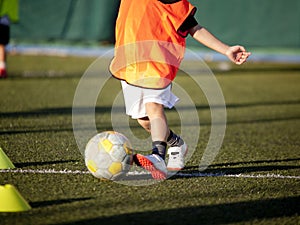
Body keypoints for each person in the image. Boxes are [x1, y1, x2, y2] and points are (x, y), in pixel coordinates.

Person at [110, 0, 251, 180]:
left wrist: (226, 50)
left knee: (154, 108)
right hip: (130, 61)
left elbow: (194, 28)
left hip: (157, 61)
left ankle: (157, 157)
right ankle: (176, 143)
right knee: (144, 121)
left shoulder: (172, 2)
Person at [0, 0, 19, 78]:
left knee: (1, 44)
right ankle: (2, 68)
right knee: (2, 44)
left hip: (3, 18)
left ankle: (2, 68)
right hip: (5, 18)